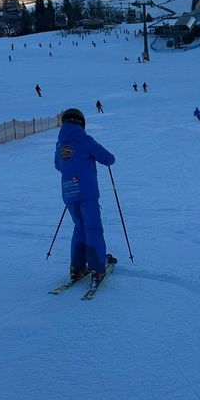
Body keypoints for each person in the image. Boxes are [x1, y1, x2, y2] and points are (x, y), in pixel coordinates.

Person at [54, 108, 117, 287]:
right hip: (87, 192)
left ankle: (77, 267)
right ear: (81, 122)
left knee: (79, 228)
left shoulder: (60, 144)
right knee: (93, 228)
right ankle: (97, 268)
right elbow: (107, 158)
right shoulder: (83, 139)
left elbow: (58, 165)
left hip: (68, 193)